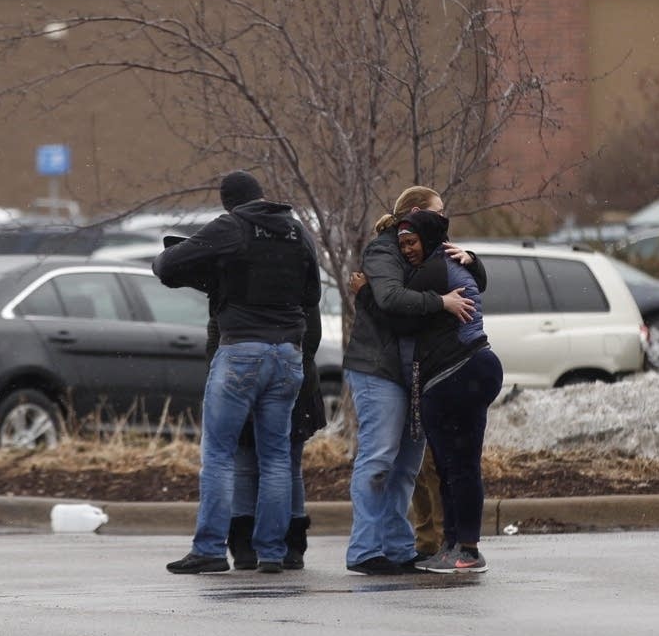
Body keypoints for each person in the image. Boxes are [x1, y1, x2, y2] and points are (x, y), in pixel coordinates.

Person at [154, 171, 321, 574]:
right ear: (261, 195)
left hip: (242, 350)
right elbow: (312, 294)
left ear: (229, 201)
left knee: (220, 454)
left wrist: (217, 273)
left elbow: (167, 265)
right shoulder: (297, 231)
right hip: (288, 354)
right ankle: (273, 552)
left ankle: (210, 550)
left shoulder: (232, 225)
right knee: (278, 457)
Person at [342, 185, 480, 574]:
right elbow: (390, 299)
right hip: (378, 368)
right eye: (439, 212)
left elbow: (474, 279)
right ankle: (365, 550)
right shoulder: (384, 250)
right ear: (418, 212)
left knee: (406, 464)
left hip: (414, 371)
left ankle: (398, 548)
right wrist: (441, 303)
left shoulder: (429, 249)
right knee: (379, 458)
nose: (444, 219)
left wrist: (472, 259)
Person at [394, 209, 502, 573]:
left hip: (464, 371)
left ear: (427, 239)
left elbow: (397, 310)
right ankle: (452, 544)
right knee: (449, 466)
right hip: (457, 375)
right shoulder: (445, 263)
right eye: (402, 244)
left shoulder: (436, 268)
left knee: (462, 467)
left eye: (411, 242)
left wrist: (366, 291)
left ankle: (468, 550)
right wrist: (474, 260)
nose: (407, 250)